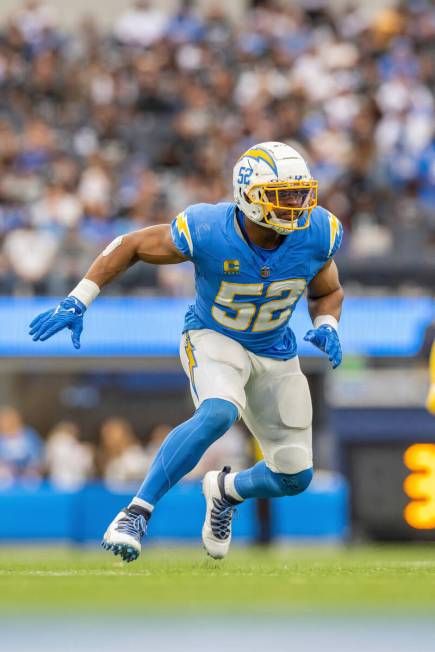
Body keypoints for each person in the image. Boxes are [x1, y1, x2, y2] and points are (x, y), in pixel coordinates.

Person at [29, 141, 344, 562]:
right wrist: (79, 298)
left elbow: (329, 290)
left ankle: (225, 491)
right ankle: (135, 512)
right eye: (283, 195)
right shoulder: (209, 228)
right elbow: (131, 244)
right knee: (219, 411)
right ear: (250, 196)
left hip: (275, 348)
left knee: (295, 475)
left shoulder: (318, 231)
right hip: (215, 337)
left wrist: (327, 324)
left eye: (300, 192)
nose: (296, 204)